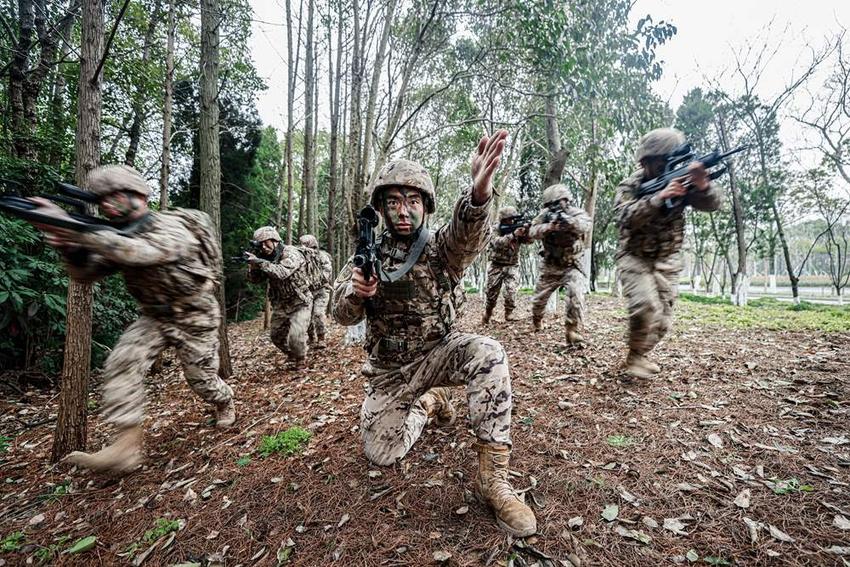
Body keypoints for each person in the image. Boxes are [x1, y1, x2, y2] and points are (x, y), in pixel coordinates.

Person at [331, 130, 537, 537]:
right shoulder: (368, 253)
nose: (402, 211)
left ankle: (492, 480)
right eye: (393, 202)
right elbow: (338, 313)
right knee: (381, 454)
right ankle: (428, 403)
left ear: (425, 206)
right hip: (389, 371)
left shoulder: (439, 247)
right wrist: (356, 294)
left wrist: (478, 194)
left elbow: (466, 237)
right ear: (382, 208)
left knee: (488, 352)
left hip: (440, 351)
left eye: (412, 201)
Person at [28, 165, 235, 474]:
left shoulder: (170, 227)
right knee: (122, 359)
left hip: (195, 315)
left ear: (137, 195)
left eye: (113, 197)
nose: (107, 206)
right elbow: (86, 274)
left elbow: (138, 253)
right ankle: (125, 447)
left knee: (202, 380)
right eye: (102, 201)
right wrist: (70, 247)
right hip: (154, 317)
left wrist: (75, 228)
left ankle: (224, 400)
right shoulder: (112, 233)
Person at [615, 127, 722, 378]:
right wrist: (659, 198)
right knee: (645, 305)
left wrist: (703, 186)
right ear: (647, 162)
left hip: (667, 259)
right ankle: (634, 358)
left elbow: (713, 204)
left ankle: (638, 355)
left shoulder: (683, 178)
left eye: (669, 162)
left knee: (662, 322)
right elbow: (623, 217)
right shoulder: (631, 185)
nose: (665, 167)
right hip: (634, 256)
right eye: (661, 162)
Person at [246, 227, 319, 368]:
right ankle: (292, 354)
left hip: (300, 301)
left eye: (266, 243)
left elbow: (282, 272)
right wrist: (253, 266)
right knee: (276, 336)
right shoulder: (264, 257)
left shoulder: (290, 252)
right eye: (260, 244)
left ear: (275, 240)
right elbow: (255, 280)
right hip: (281, 303)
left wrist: (260, 262)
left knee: (296, 336)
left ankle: (300, 360)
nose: (263, 247)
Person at [528, 184, 591, 344]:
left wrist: (570, 223)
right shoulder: (544, 216)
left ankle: (572, 330)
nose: (556, 207)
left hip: (571, 264)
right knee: (539, 301)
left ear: (567, 200)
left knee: (576, 294)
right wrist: (548, 227)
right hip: (550, 265)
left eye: (559, 202)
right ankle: (537, 320)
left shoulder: (576, 213)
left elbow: (585, 225)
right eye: (552, 204)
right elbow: (531, 232)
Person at [482, 206, 530, 323]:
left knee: (511, 291)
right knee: (491, 294)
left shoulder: (517, 228)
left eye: (513, 219)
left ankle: (509, 313)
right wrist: (513, 235)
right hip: (496, 265)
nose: (512, 221)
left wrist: (527, 233)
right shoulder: (495, 229)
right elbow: (496, 243)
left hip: (512, 265)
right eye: (510, 219)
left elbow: (529, 242)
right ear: (503, 220)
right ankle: (488, 313)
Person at [299, 234, 333, 348]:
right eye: (302, 244)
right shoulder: (299, 257)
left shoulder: (322, 256)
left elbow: (327, 270)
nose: (304, 247)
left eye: (306, 244)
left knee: (318, 314)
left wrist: (318, 280)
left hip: (321, 291)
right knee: (306, 316)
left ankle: (321, 338)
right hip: (306, 292)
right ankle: (311, 338)